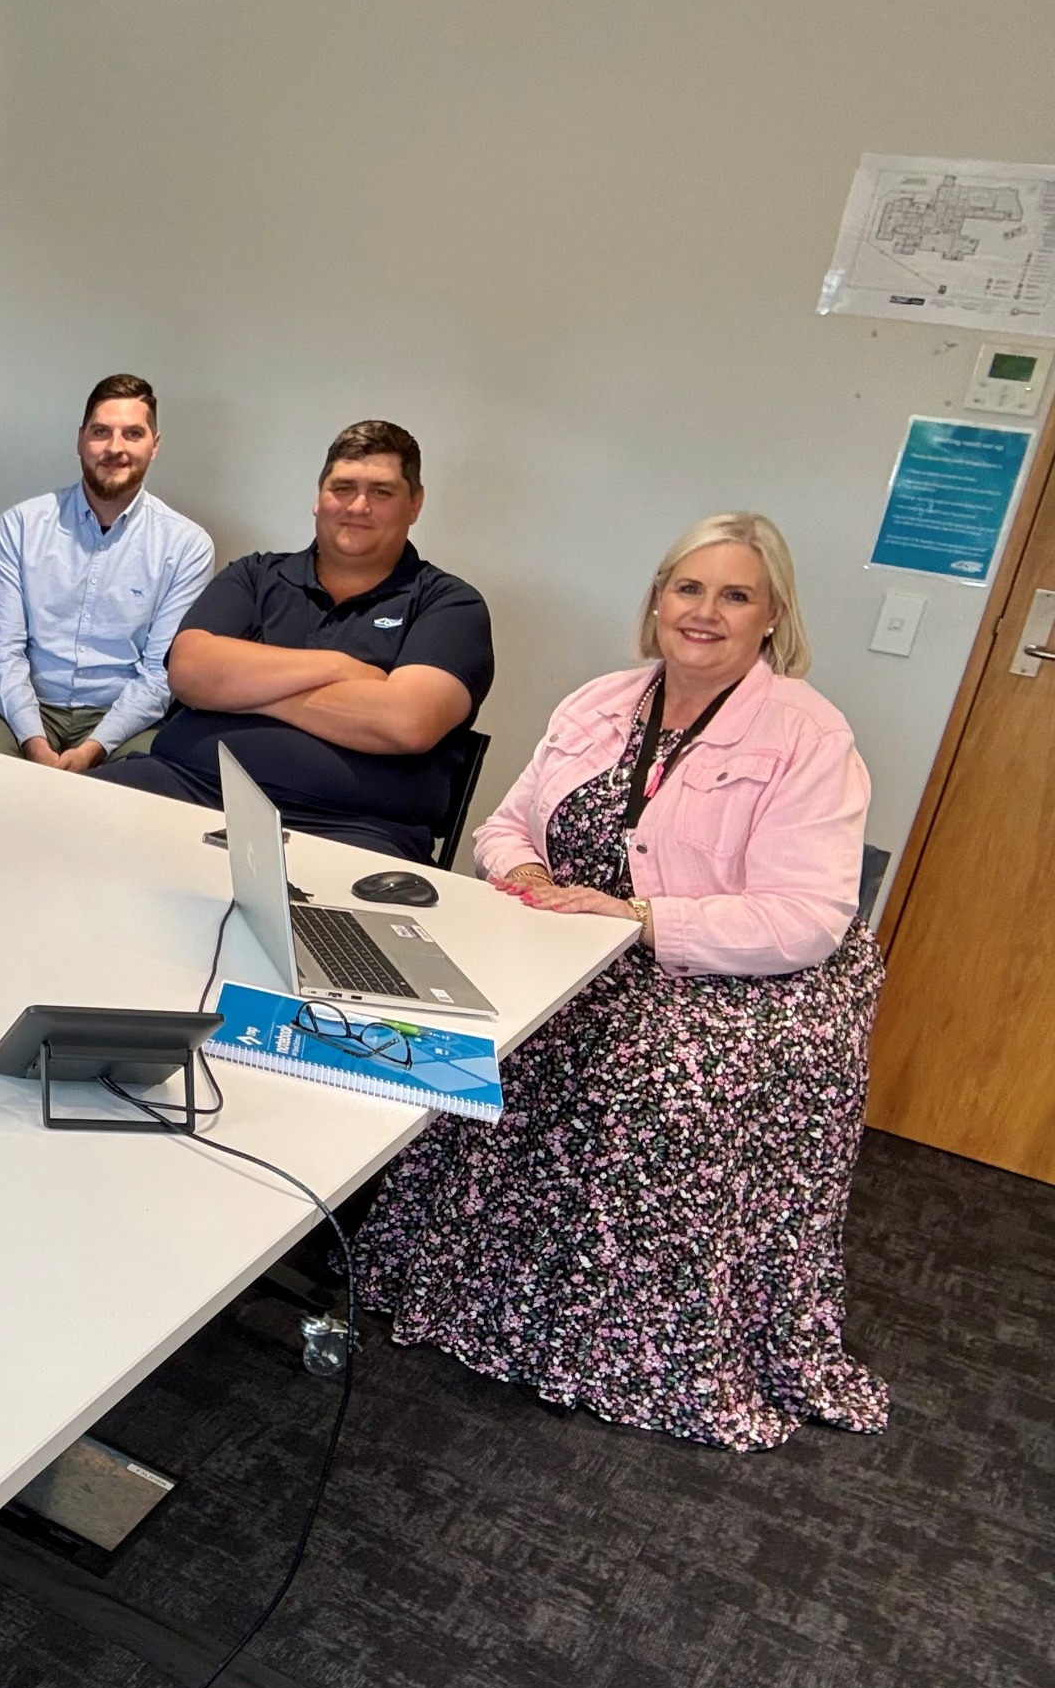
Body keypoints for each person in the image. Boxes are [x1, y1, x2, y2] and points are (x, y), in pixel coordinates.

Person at [354, 512, 888, 1453]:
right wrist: (524, 879)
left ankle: (620, 1341)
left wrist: (641, 921)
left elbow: (808, 918)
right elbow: (506, 824)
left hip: (733, 973)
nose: (706, 613)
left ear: (773, 618)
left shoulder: (809, 735)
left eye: (736, 596)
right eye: (689, 588)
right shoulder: (600, 701)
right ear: (657, 599)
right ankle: (451, 1285)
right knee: (441, 1009)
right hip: (577, 938)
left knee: (643, 1073)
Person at [99, 420, 493, 859]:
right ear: (319, 497)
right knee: (61, 831)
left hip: (351, 830)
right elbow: (189, 672)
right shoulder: (254, 575)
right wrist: (340, 668)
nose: (358, 506)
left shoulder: (450, 604)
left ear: (415, 504)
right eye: (342, 487)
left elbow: (407, 721)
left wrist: (238, 691)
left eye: (381, 492)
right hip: (183, 786)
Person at [0, 373, 213, 770]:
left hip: (123, 719)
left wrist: (90, 751)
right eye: (101, 432)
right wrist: (35, 743)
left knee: (141, 792)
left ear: (155, 446)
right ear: (81, 439)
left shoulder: (186, 546)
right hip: (23, 708)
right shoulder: (21, 525)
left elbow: (158, 676)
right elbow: (1, 652)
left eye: (133, 434)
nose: (115, 448)